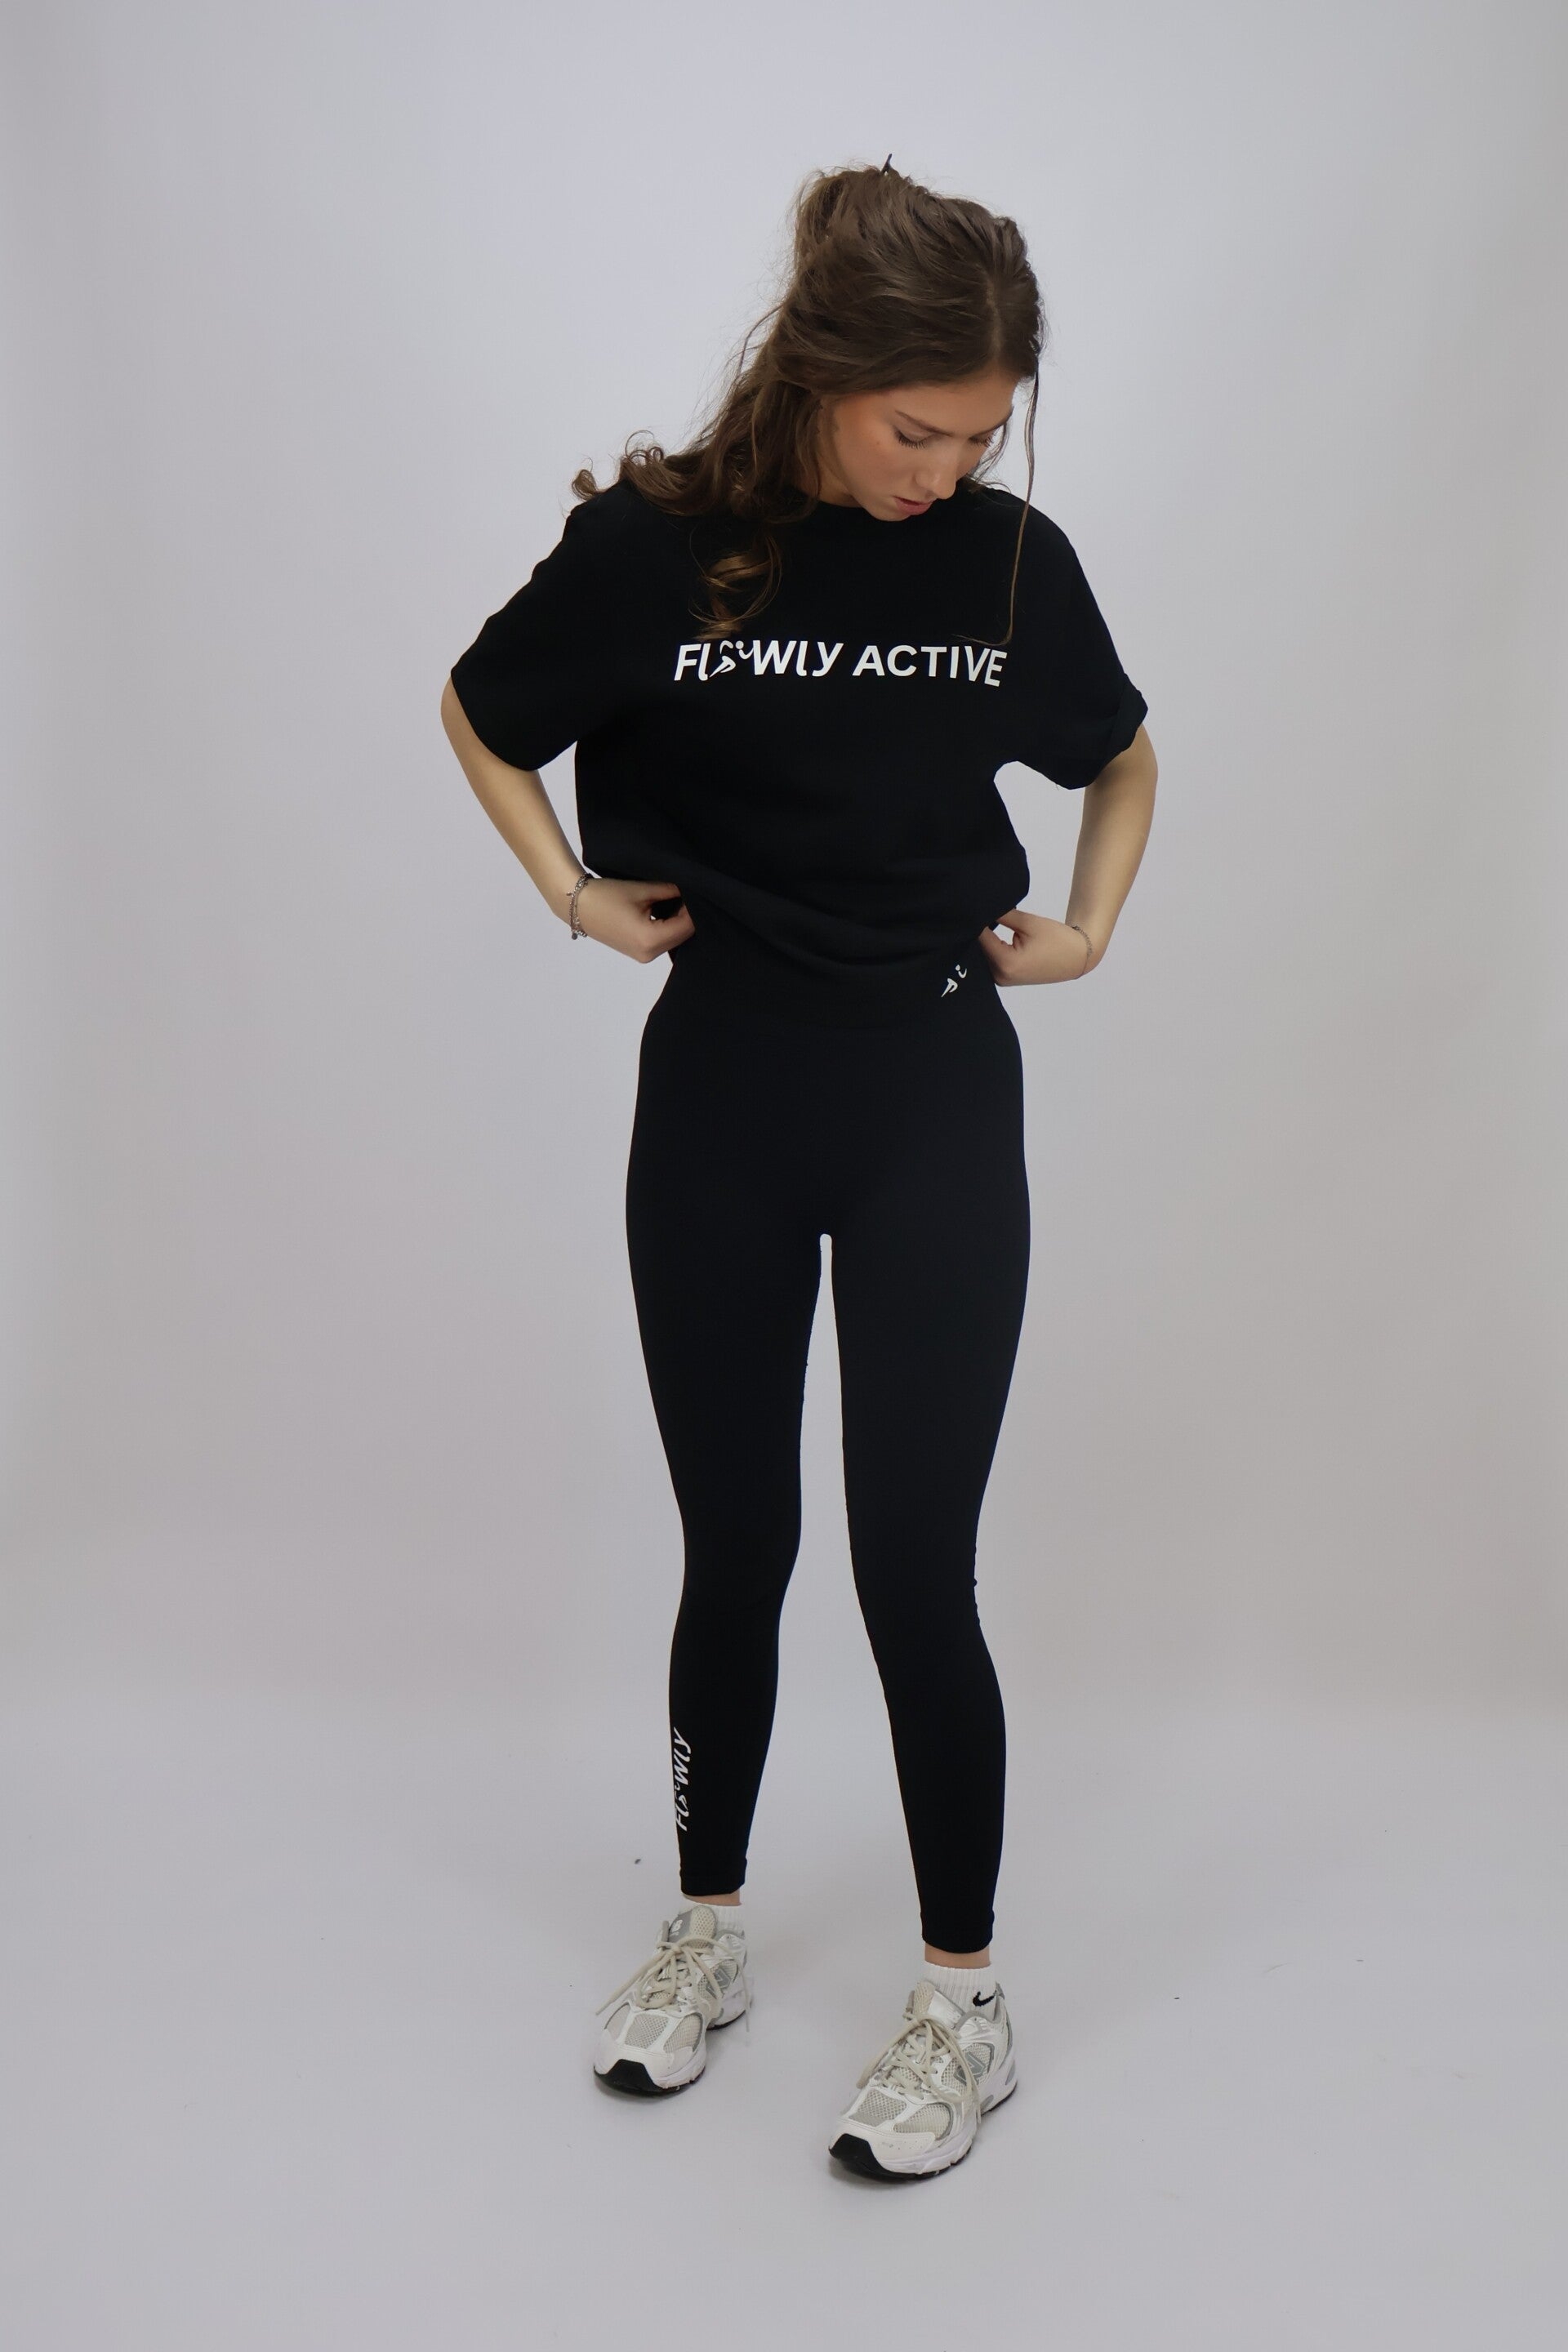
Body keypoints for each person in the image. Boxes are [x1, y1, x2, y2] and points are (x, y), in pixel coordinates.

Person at [440, 157, 1157, 2180]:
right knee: (735, 1539)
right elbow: (483, 711)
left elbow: (1119, 754)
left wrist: (1094, 927)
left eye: (982, 436)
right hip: (722, 1095)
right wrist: (572, 890)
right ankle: (709, 1931)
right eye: (916, 430)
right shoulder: (659, 553)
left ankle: (961, 2001)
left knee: (915, 1566)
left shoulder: (1007, 566)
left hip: (932, 1089)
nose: (948, 470)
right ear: (822, 375)